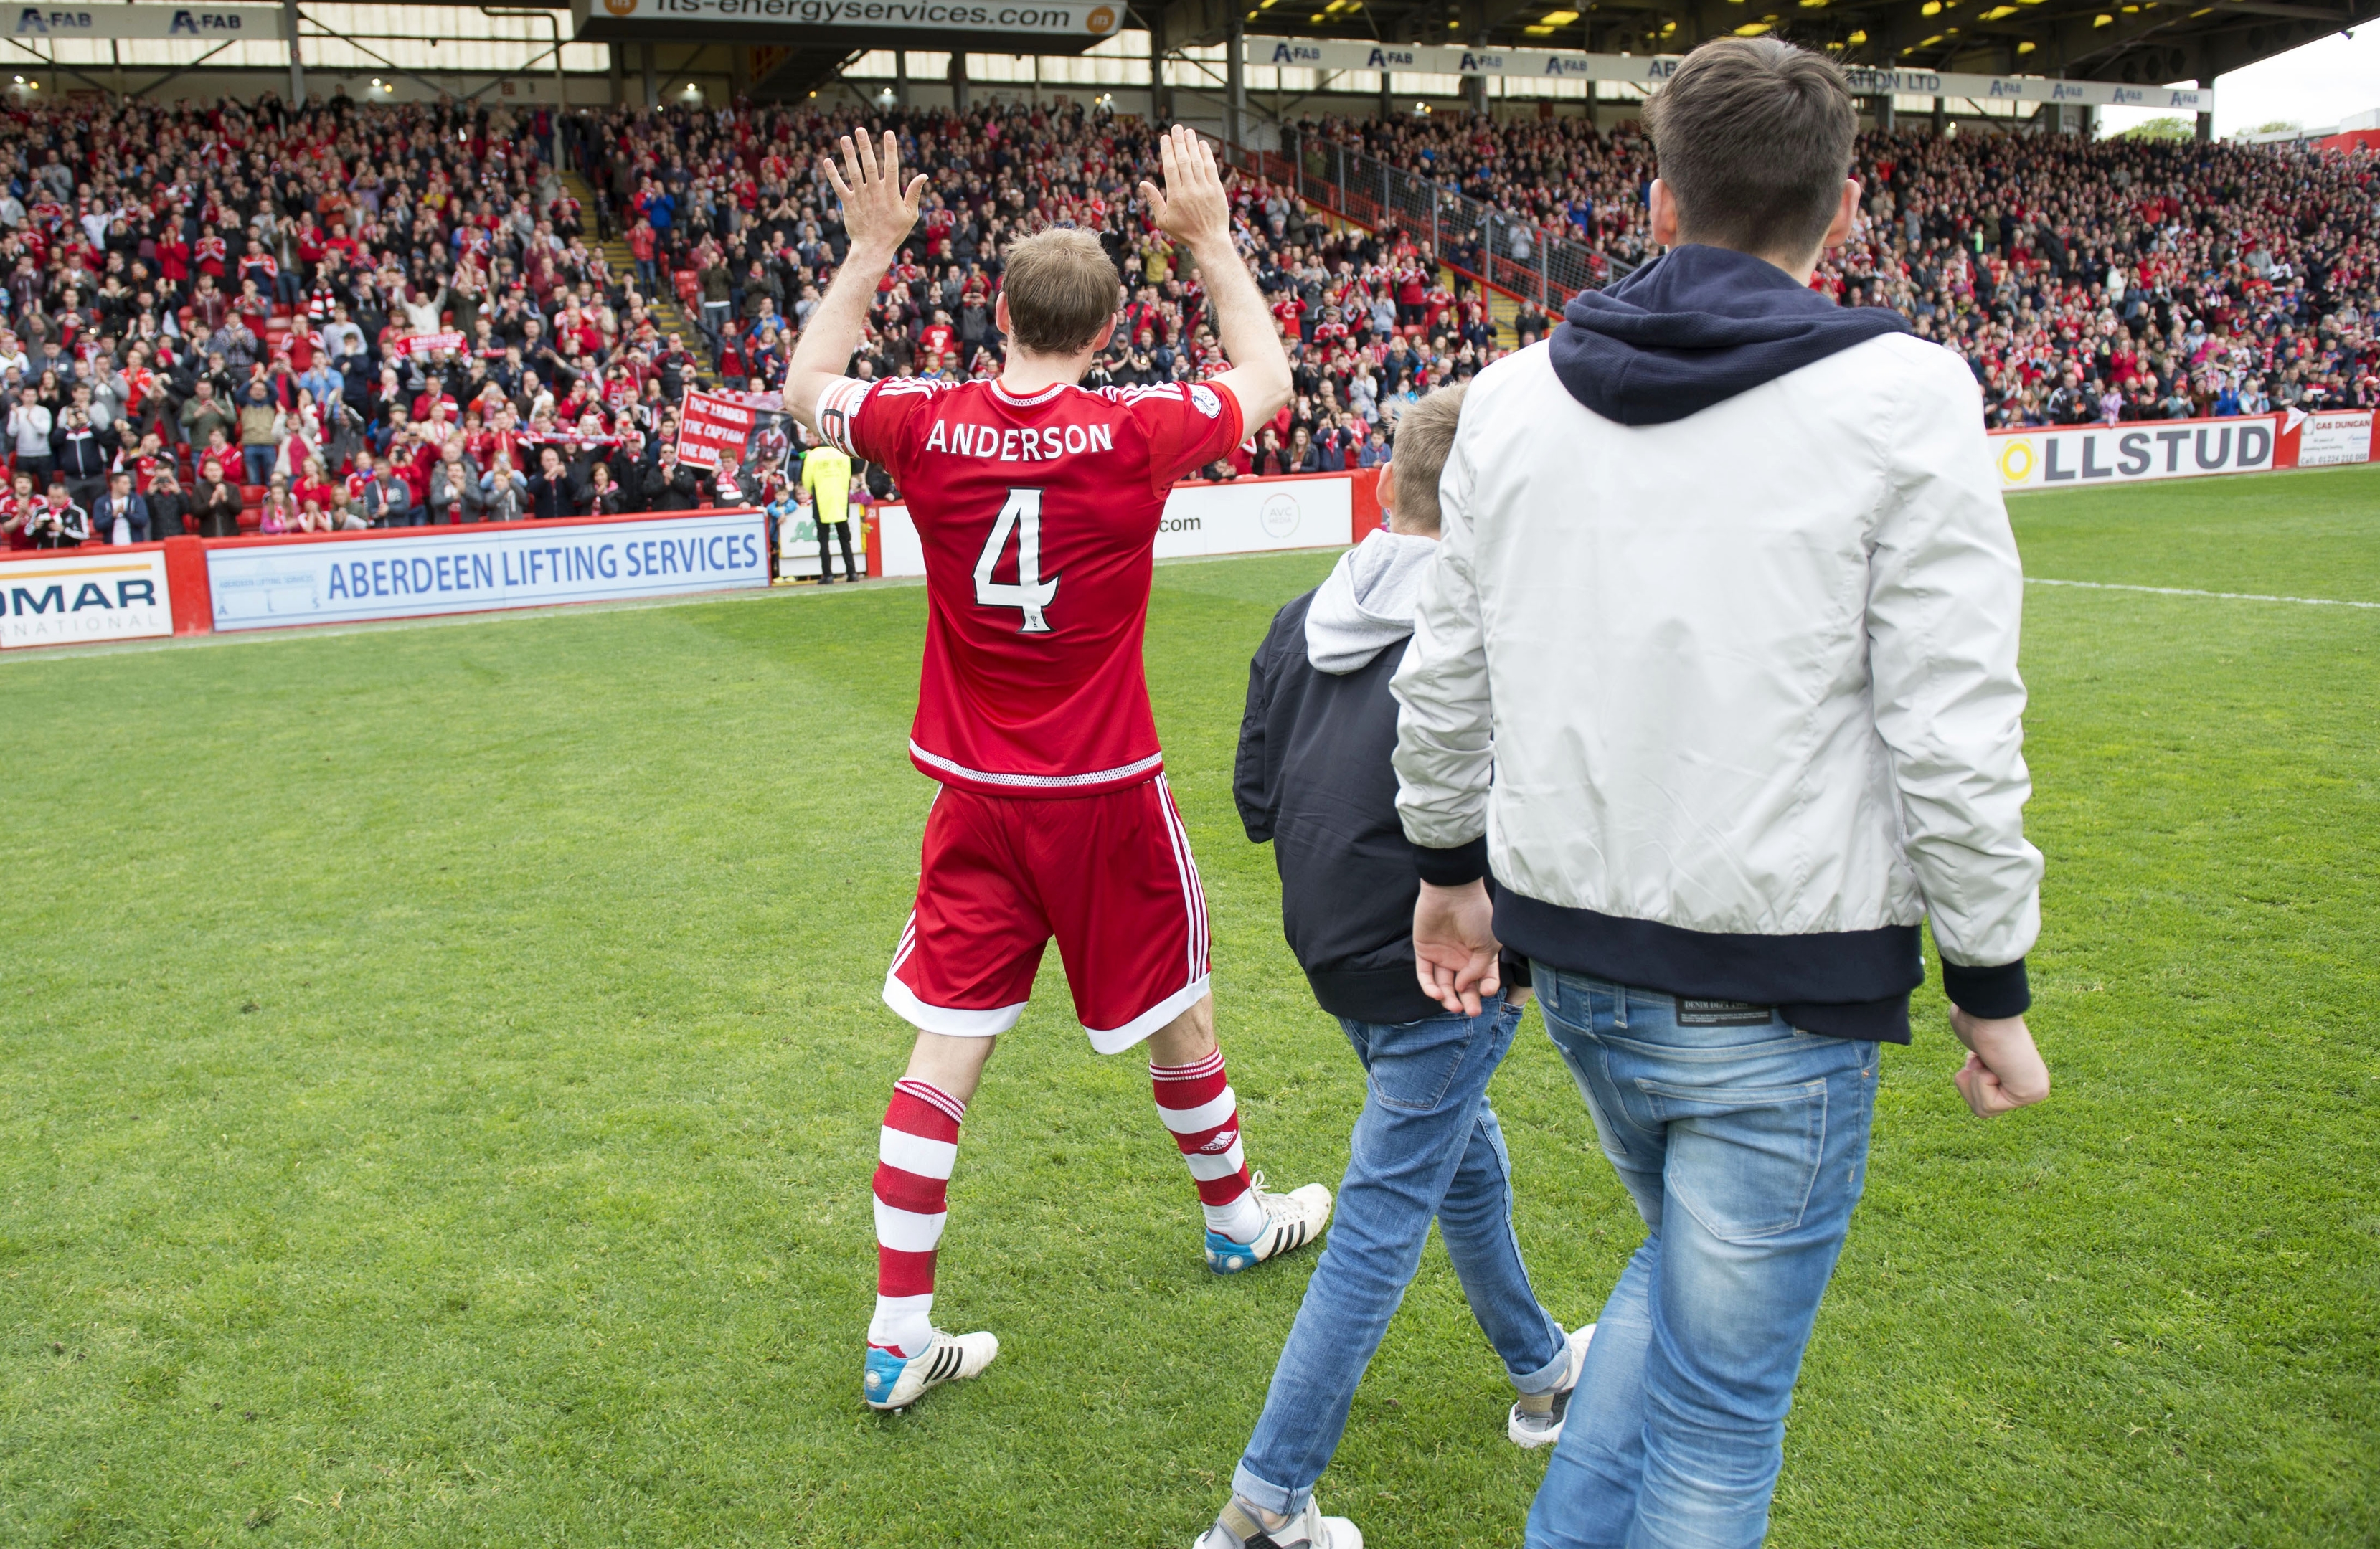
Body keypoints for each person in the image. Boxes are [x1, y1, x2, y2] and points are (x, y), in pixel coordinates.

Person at [1387, 40, 2052, 1549]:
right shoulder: (1907, 393)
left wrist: (1445, 868)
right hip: (1776, 988)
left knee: (1681, 1292)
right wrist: (1991, 983)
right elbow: (1952, 724)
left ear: (1659, 193)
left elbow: (1447, 685)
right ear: (1847, 206)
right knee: (1721, 1416)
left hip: (1590, 972)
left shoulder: (1509, 401)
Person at [783, 125, 1321, 1416]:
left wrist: (867, 252)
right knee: (1178, 1013)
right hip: (1101, 796)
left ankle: (896, 1329)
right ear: (1104, 326)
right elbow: (1265, 372)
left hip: (975, 795)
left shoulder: (923, 422)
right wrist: (1209, 237)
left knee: (941, 1055)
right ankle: (1235, 1214)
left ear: (999, 315)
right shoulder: (1132, 430)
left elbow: (808, 381)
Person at [1200, 386, 1583, 1549]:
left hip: (1331, 955)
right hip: (1444, 971)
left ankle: (1542, 1371)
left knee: (1461, 1161)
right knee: (1378, 1223)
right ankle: (1264, 1507)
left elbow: (1257, 806)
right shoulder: (1496, 634)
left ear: (1383, 490)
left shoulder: (1291, 620)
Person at [798, 432, 858, 583]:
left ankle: (828, 575)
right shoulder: (842, 453)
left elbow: (806, 481)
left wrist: (815, 492)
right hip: (840, 500)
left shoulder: (813, 455)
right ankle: (852, 573)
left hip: (822, 500)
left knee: (823, 540)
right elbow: (848, 476)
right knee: (845, 539)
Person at [93, 470, 151, 546]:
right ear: (114, 484)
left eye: (129, 483)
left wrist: (126, 513)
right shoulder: (101, 502)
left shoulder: (136, 500)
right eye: (125, 483)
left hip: (135, 547)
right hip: (111, 548)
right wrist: (113, 516)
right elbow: (98, 526)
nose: (129, 486)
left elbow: (143, 521)